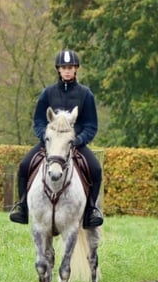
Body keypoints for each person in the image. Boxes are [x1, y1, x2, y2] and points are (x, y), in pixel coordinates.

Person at [9, 49, 104, 227]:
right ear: (58, 70)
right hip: (50, 144)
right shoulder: (47, 93)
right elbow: (38, 120)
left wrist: (78, 140)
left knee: (96, 169)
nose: (67, 70)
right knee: (23, 166)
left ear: (76, 69)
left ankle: (91, 210)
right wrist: (45, 137)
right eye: (63, 67)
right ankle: (22, 207)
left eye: (70, 67)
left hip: (74, 144)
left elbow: (91, 125)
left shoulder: (86, 94)